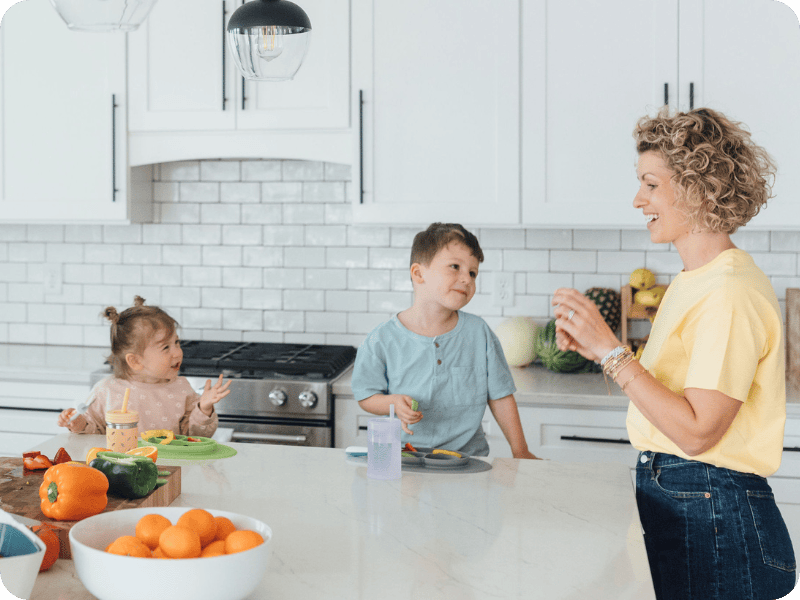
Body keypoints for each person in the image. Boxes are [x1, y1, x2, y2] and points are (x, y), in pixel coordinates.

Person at [551, 107, 795, 599]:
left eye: (651, 184)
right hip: (693, 502)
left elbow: (698, 430)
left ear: (699, 188)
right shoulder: (695, 282)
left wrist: (612, 351)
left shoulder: (729, 290)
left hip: (714, 510)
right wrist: (600, 351)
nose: (638, 200)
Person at [352, 222, 538, 459]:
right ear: (419, 274)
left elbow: (500, 396)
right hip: (404, 459)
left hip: (468, 461)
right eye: (455, 267)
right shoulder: (382, 339)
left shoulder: (479, 333)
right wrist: (392, 403)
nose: (467, 279)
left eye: (472, 273)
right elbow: (366, 396)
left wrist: (520, 450)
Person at [58, 296, 231, 437]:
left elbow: (195, 436)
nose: (178, 352)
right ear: (135, 361)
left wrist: (204, 408)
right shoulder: (106, 391)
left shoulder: (181, 388)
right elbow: (93, 430)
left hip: (171, 471)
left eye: (177, 343)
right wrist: (78, 423)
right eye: (166, 347)